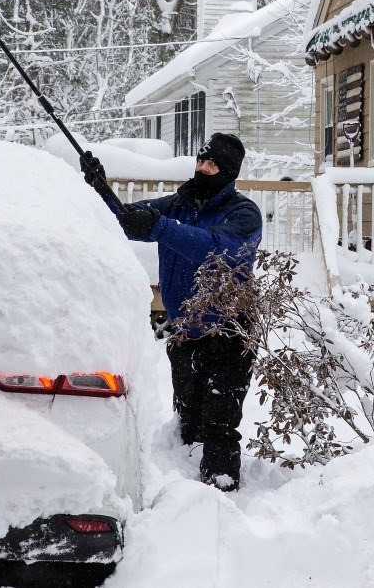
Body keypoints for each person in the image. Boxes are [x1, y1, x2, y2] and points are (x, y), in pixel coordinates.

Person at [80, 132, 262, 491]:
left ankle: (222, 497)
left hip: (228, 333)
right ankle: (184, 495)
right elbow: (130, 219)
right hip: (184, 333)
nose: (202, 167)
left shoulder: (243, 213)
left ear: (228, 172)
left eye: (212, 164)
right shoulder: (180, 204)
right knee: (189, 423)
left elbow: (215, 248)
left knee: (220, 425)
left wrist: (158, 226)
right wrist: (101, 190)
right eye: (200, 159)